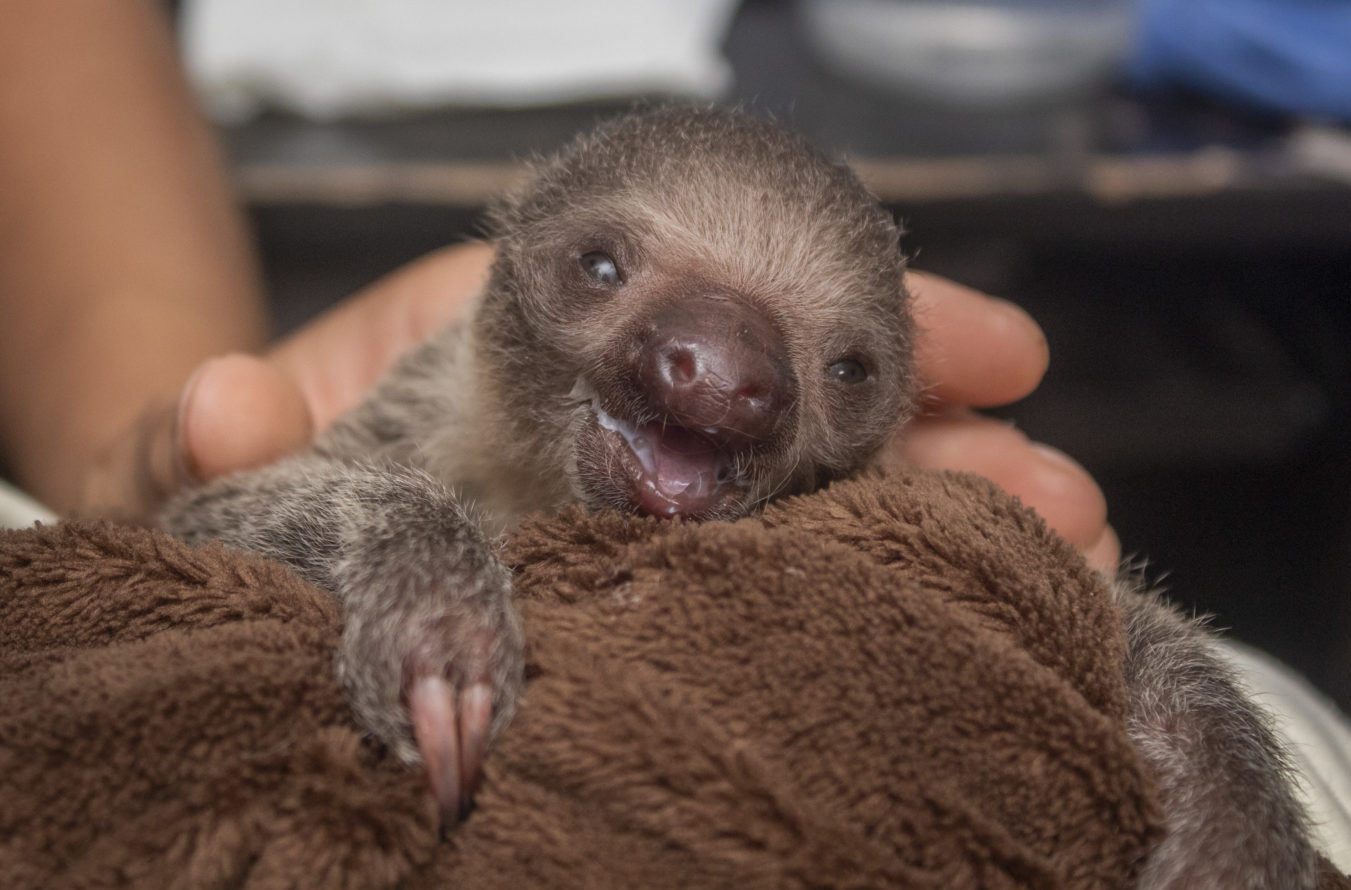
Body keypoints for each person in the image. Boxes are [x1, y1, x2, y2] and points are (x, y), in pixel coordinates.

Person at [0, 1, 1116, 567]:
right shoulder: (414, 443)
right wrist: (135, 449)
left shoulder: (866, 494)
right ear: (509, 243)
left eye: (848, 368)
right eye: (599, 270)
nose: (719, 376)